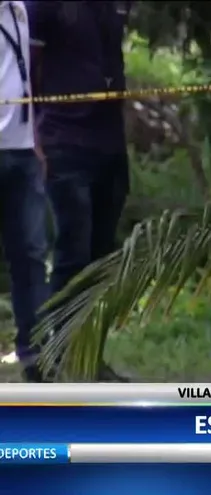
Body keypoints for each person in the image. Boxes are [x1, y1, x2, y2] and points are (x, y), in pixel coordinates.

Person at [26, 0, 130, 381]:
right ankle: (56, 356)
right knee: (73, 252)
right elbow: (26, 71)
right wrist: (35, 140)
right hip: (63, 140)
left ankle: (89, 358)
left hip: (110, 145)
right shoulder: (44, 6)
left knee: (102, 259)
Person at [0, 0, 50, 382]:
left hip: (22, 151)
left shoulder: (21, 7)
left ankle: (34, 353)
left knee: (31, 255)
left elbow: (26, 75)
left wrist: (36, 141)